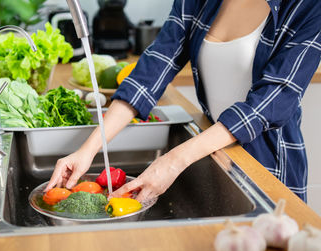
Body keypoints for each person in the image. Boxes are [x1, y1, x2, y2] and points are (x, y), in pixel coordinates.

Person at [45, 0, 321, 202]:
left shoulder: (309, 7)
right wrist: (88, 149)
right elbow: (153, 68)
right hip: (214, 154)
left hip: (269, 168)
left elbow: (273, 99)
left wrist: (174, 161)